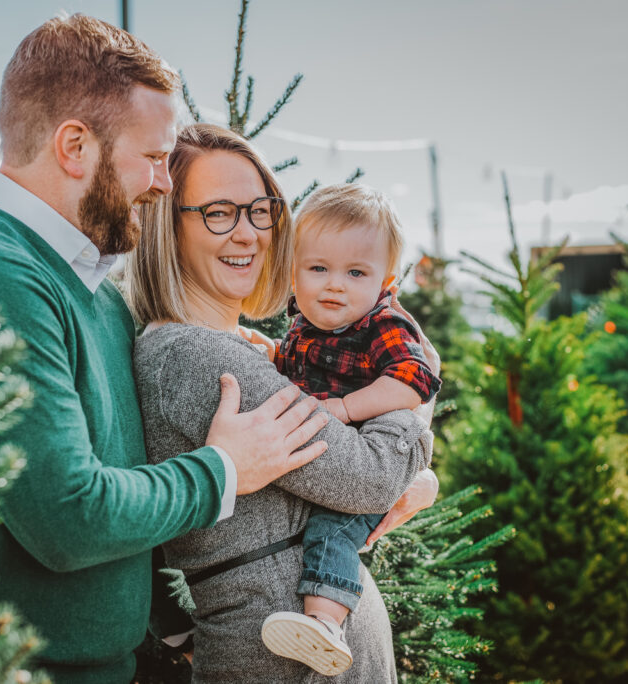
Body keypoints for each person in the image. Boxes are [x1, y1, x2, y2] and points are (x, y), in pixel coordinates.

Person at [0, 16, 328, 684]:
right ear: (75, 145)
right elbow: (68, 518)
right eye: (154, 157)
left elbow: (126, 469)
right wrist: (225, 468)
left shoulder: (94, 291)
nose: (163, 182)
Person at [126, 122, 439, 682]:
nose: (247, 234)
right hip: (286, 659)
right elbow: (367, 478)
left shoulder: (232, 350)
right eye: (218, 212)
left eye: (259, 210)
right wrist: (419, 380)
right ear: (164, 227)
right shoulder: (200, 358)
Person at [261, 184, 442, 675]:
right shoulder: (304, 325)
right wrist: (266, 350)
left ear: (386, 283)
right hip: (321, 458)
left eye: (355, 272)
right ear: (293, 271)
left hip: (366, 460)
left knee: (332, 529)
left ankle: (326, 625)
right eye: (318, 268)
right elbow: (291, 369)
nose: (334, 285)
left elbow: (414, 381)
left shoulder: (381, 325)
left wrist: (344, 407)